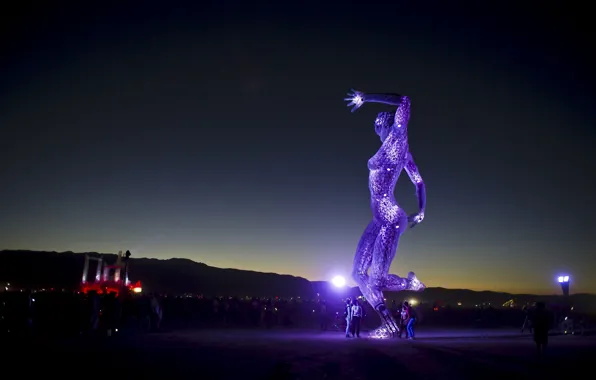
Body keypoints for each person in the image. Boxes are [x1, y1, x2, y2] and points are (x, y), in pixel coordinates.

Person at [345, 90, 427, 338]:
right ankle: (388, 324)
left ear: (385, 124)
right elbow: (419, 183)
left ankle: (409, 284)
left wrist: (366, 97)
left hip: (391, 218)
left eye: (378, 123)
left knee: (377, 280)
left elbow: (405, 100)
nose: (376, 126)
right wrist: (421, 212)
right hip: (378, 219)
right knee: (358, 273)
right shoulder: (397, 150)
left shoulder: (398, 139)